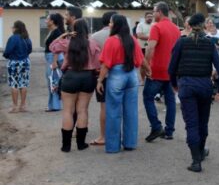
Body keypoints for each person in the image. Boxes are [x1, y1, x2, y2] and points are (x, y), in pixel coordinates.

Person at [168, 13, 219, 173]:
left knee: (191, 124)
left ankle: (195, 160)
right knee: (203, 122)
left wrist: (174, 85)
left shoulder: (181, 42)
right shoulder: (210, 43)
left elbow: (171, 68)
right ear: (204, 25)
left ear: (190, 26)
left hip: (186, 86)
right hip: (205, 86)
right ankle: (200, 151)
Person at [49, 19, 101, 153]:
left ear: (74, 30)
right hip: (88, 77)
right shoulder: (93, 43)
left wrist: (63, 36)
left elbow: (52, 47)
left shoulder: (67, 42)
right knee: (82, 110)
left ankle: (66, 146)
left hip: (70, 76)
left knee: (68, 111)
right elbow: (97, 64)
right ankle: (81, 144)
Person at [97, 15, 146, 154]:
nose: (110, 24)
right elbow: (141, 60)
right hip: (132, 76)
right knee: (131, 111)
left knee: (113, 111)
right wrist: (148, 71)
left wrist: (100, 80)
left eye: (111, 22)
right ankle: (130, 143)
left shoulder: (111, 41)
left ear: (116, 24)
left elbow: (106, 64)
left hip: (116, 76)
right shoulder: (133, 39)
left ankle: (113, 146)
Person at [143, 2, 181, 142]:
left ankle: (156, 126)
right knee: (170, 101)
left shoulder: (156, 27)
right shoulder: (176, 29)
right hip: (171, 70)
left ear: (160, 12)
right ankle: (169, 131)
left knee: (148, 97)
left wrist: (146, 65)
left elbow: (150, 48)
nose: (153, 15)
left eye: (154, 12)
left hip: (157, 70)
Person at [89, 11, 117, 146]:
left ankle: (103, 136)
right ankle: (117, 135)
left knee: (104, 107)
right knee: (119, 106)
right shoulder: (123, 36)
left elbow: (92, 59)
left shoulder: (94, 36)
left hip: (102, 75)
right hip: (119, 74)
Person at [4, 21, 33, 113]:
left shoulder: (13, 38)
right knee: (24, 84)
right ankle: (23, 106)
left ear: (16, 28)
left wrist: (8, 56)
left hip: (14, 63)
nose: (12, 28)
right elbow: (30, 50)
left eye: (13, 26)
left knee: (14, 84)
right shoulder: (26, 38)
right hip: (25, 62)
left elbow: (7, 51)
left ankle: (14, 107)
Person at [44, 13, 66, 112]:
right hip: (51, 58)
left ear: (52, 21)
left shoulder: (57, 32)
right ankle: (53, 104)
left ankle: (55, 105)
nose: (45, 21)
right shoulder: (53, 31)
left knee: (53, 81)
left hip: (53, 58)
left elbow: (57, 48)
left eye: (47, 19)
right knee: (52, 81)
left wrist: (54, 61)